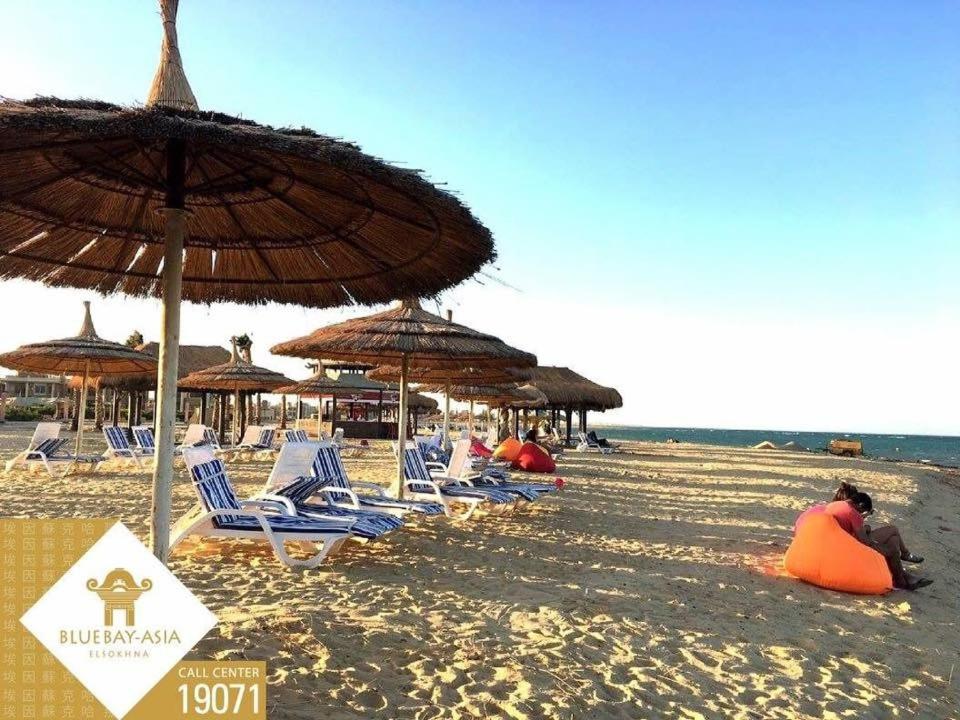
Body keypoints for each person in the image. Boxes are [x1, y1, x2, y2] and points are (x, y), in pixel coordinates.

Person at [824, 492, 930, 591]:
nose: (860, 514)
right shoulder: (852, 512)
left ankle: (904, 578)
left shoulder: (836, 504)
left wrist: (865, 525)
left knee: (893, 540)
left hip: (838, 542)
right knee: (893, 532)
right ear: (860, 505)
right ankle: (903, 568)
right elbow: (864, 540)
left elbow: (849, 525)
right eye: (861, 511)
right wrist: (878, 545)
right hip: (849, 547)